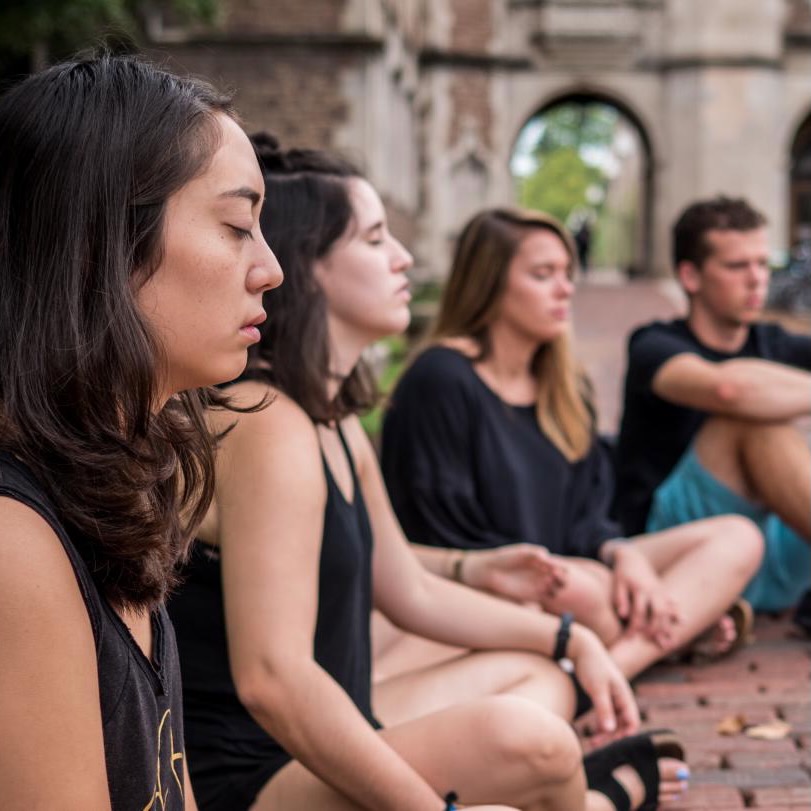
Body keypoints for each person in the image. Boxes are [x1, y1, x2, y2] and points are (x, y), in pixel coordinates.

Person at [169, 138, 690, 811]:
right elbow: (272, 680)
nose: (404, 259)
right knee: (534, 740)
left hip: (329, 725)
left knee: (540, 676)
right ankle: (590, 800)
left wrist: (570, 636)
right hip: (248, 777)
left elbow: (408, 586)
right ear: (311, 266)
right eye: (377, 239)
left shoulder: (331, 416)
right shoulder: (267, 422)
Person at [0, 55, 283, 808]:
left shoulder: (117, 482)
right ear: (100, 244)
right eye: (236, 227)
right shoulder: (16, 542)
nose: (271, 269)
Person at [380, 207, 763, 680]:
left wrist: (624, 556)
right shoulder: (441, 378)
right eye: (543, 275)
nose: (565, 289)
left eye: (567, 274)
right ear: (490, 283)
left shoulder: (564, 385)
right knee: (587, 589)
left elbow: (588, 518)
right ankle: (669, 633)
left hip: (573, 578)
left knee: (737, 537)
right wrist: (582, 573)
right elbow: (437, 530)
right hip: (485, 587)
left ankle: (614, 668)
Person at [615, 196, 811, 614]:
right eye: (738, 266)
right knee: (751, 421)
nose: (757, 279)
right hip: (678, 553)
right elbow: (728, 391)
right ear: (690, 275)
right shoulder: (653, 344)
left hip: (773, 551)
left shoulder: (776, 342)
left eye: (762, 263)